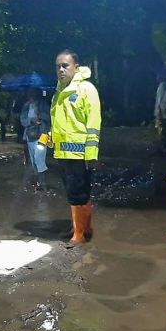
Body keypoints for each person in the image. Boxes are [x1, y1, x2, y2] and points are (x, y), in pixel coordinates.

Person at [50, 49, 101, 243]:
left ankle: (78, 234)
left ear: (76, 67)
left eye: (65, 65)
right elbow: (58, 124)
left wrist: (91, 153)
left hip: (80, 154)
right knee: (76, 192)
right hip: (63, 152)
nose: (61, 70)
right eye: (58, 66)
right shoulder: (59, 92)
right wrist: (49, 142)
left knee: (77, 194)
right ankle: (83, 229)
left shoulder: (86, 89)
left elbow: (93, 123)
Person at [20, 87, 51, 190]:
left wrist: (40, 115)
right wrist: (31, 121)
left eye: (33, 93)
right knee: (33, 160)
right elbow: (22, 120)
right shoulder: (26, 106)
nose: (31, 95)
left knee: (39, 158)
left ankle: (43, 183)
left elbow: (49, 117)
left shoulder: (43, 104)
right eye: (30, 93)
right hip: (30, 135)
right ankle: (39, 181)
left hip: (43, 135)